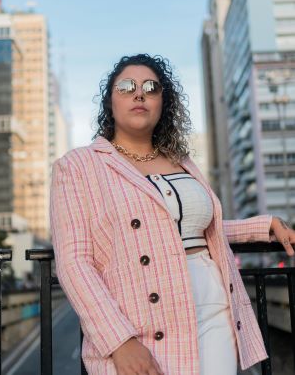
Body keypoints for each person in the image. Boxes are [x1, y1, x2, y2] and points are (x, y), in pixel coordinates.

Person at [50, 53, 295, 375]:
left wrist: (264, 226)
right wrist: (119, 341)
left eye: (151, 87)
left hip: (212, 305)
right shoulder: (79, 165)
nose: (140, 93)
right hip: (138, 318)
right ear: (110, 102)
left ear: (163, 102)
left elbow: (189, 227)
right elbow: (74, 262)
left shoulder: (181, 162)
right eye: (126, 86)